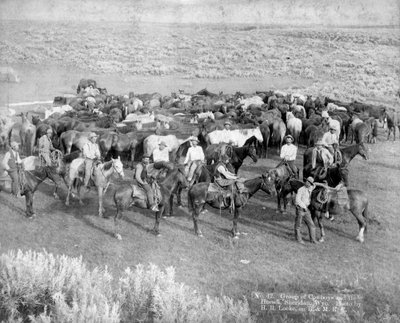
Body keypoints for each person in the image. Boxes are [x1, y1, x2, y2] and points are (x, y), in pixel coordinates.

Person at [294, 176, 318, 244]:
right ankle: (299, 239)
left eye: (310, 183)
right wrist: (304, 207)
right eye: (307, 181)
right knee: (298, 225)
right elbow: (297, 200)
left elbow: (315, 186)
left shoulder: (310, 188)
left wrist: (318, 183)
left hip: (306, 210)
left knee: (312, 225)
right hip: (300, 209)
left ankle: (313, 239)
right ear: (305, 182)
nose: (308, 183)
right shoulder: (301, 189)